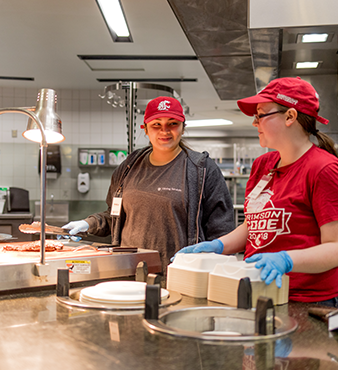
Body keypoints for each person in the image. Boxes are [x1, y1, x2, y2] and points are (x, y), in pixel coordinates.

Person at [176, 77, 338, 307]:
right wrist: (219, 246)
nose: (255, 123)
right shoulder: (263, 165)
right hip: (257, 292)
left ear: (290, 116)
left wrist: (287, 260)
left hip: (307, 302)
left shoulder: (323, 169)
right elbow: (254, 225)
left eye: (261, 115)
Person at [63, 96, 234, 274]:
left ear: (183, 128)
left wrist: (212, 272)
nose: (165, 131)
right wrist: (88, 223)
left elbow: (221, 231)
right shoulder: (129, 167)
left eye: (173, 123)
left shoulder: (202, 169)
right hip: (128, 271)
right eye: (156, 124)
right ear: (145, 129)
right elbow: (114, 217)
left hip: (178, 274)